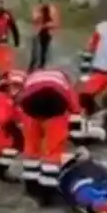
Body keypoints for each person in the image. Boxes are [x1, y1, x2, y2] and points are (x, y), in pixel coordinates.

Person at [15, 68, 82, 198]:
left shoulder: (32, 76)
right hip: (55, 105)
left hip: (31, 104)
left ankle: (31, 185)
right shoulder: (65, 84)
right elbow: (75, 109)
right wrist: (75, 133)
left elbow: (20, 98)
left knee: (31, 147)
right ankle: (46, 192)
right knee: (53, 151)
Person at [29, 0, 60, 69]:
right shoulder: (37, 9)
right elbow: (34, 19)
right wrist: (41, 13)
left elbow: (55, 23)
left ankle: (41, 68)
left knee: (44, 54)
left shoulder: (52, 10)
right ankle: (31, 70)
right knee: (35, 54)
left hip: (47, 34)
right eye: (43, 3)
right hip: (37, 33)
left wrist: (46, 25)